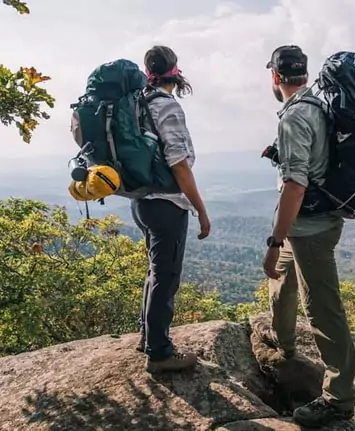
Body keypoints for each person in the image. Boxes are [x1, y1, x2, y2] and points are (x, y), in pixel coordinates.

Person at [259, 45, 355, 428]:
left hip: (310, 227)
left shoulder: (296, 116)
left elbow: (295, 185)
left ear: (275, 77)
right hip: (313, 220)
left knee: (323, 310)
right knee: (281, 277)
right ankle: (284, 344)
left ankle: (338, 397)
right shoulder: (319, 107)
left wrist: (273, 240)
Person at [131, 45, 211, 373]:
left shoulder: (138, 104)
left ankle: (147, 336)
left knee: (155, 271)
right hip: (167, 203)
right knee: (166, 277)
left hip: (142, 201)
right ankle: (160, 353)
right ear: (174, 69)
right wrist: (200, 210)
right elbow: (178, 163)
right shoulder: (167, 107)